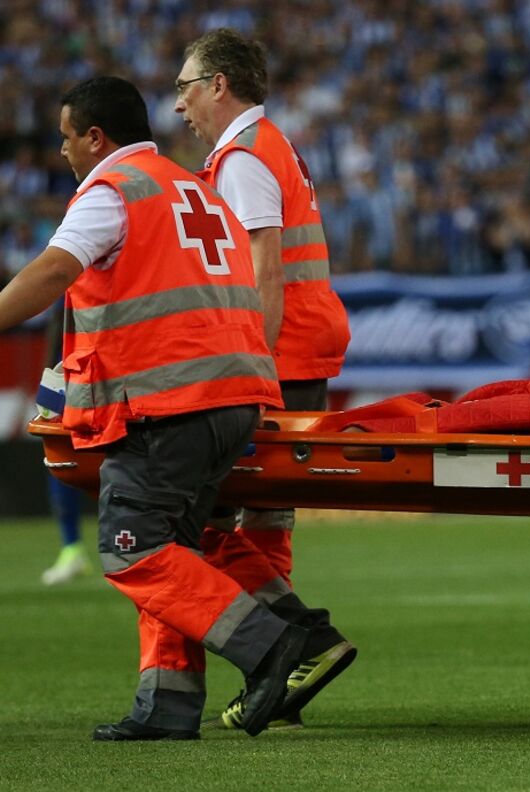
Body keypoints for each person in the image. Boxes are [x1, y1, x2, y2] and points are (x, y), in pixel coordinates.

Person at [0, 75, 306, 740]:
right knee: (173, 549)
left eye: (66, 137)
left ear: (95, 137)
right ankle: (167, 703)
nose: (62, 151)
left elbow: (53, 272)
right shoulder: (192, 187)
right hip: (236, 395)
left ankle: (270, 644)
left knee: (132, 550)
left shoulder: (112, 191)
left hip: (170, 402)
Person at [173, 28, 356, 728]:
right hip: (303, 349)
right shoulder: (269, 145)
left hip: (279, 357)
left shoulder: (243, 158)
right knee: (266, 516)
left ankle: (303, 642)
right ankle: (290, 676)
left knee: (202, 520)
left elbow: (264, 272)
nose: (180, 103)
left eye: (186, 86)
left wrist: (247, 368)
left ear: (218, 84)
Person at [39, 300, 90, 586]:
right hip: (72, 370)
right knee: (61, 458)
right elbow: (59, 320)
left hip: (104, 367)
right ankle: (71, 548)